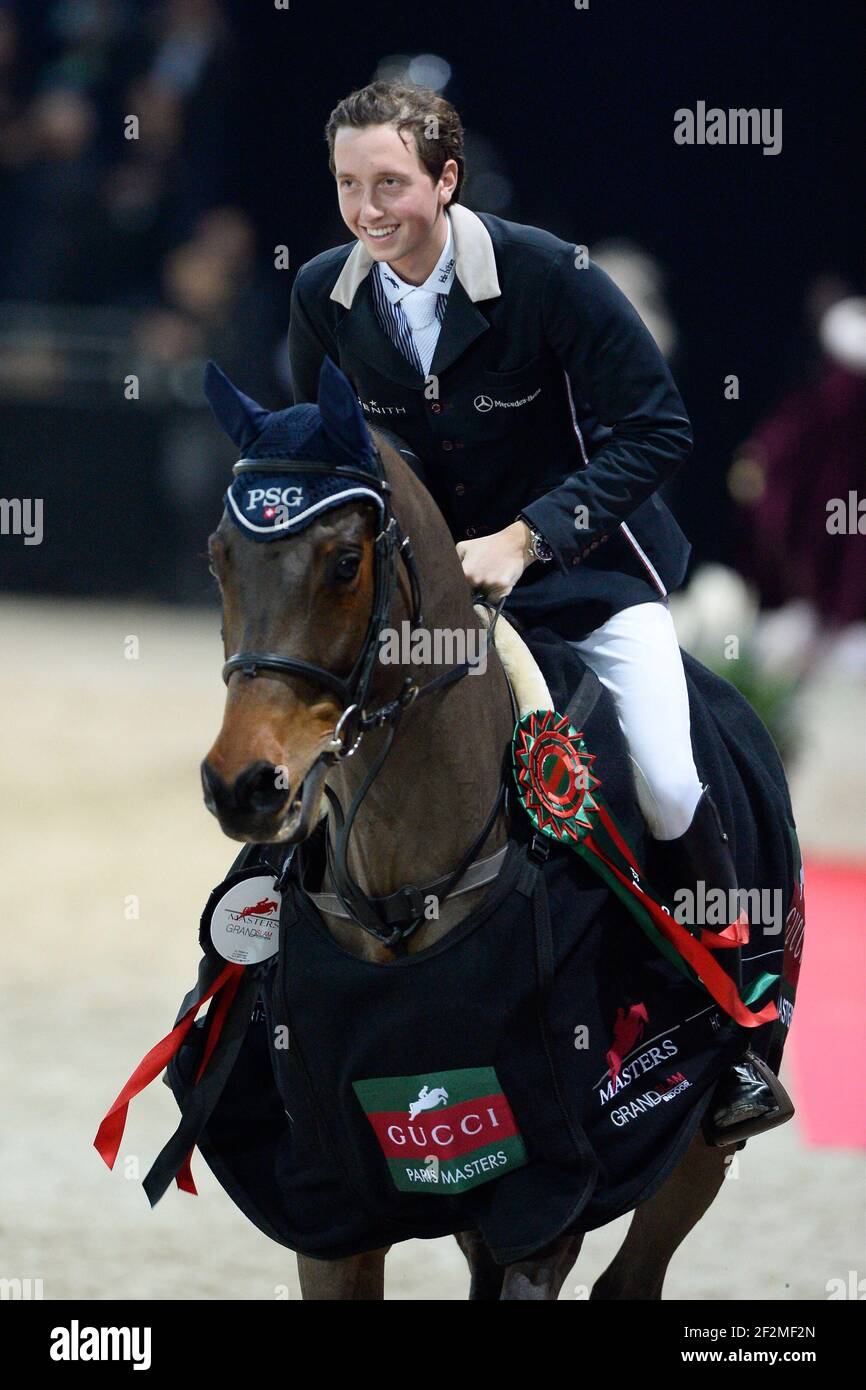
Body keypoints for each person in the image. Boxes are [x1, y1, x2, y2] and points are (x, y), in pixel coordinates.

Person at [286, 79, 778, 1140]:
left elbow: (657, 429)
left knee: (660, 769)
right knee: (310, 755)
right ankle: (273, 999)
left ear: (445, 180)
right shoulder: (325, 293)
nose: (368, 210)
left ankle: (730, 1024)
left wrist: (527, 535)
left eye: (390, 184)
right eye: (347, 185)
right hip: (423, 597)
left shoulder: (549, 275)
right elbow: (324, 453)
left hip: (583, 577)